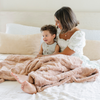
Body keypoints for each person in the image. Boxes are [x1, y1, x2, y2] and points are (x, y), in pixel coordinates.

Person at [11, 6, 100, 94]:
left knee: (53, 70)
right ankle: (30, 77)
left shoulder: (79, 35)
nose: (56, 24)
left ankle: (34, 84)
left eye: (58, 22)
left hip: (72, 60)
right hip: (57, 58)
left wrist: (45, 57)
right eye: (55, 21)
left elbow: (66, 54)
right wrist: (43, 53)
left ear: (66, 21)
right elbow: (50, 42)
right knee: (42, 65)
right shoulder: (58, 31)